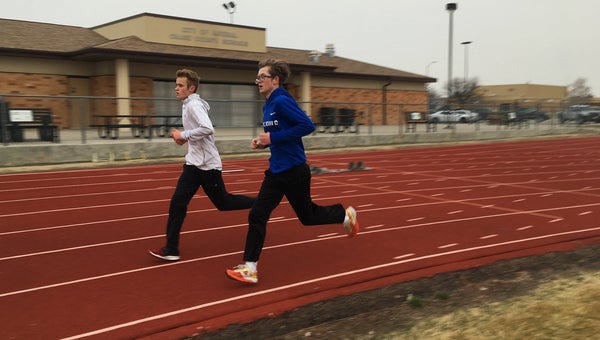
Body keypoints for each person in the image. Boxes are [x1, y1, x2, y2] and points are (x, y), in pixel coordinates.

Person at [225, 58, 359, 284]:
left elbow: (307, 126)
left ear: (275, 80)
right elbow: (281, 134)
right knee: (257, 214)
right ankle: (250, 268)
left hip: (295, 171)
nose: (258, 81)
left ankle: (345, 215)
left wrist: (273, 137)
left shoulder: (282, 100)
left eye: (263, 77)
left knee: (307, 217)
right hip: (276, 172)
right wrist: (265, 143)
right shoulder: (268, 104)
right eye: (257, 77)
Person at [149, 69, 256, 261]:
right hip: (193, 165)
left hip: (208, 167)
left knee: (223, 203)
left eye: (180, 85)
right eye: (176, 84)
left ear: (191, 88)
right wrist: (185, 139)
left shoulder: (194, 105)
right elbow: (198, 132)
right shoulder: (188, 103)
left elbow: (207, 128)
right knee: (177, 203)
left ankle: (261, 202)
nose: (176, 88)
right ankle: (171, 249)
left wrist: (182, 135)